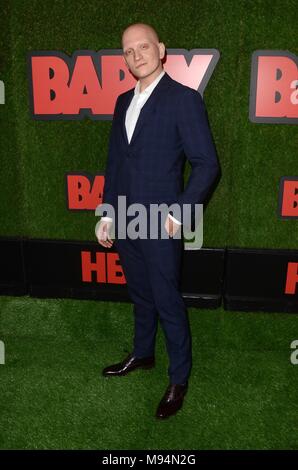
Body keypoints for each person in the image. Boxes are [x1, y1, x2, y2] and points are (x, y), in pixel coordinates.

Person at [96, 22, 219, 419]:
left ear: (161, 49)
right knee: (141, 296)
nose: (137, 55)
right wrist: (107, 214)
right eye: (129, 51)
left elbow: (206, 165)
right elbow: (116, 164)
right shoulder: (120, 102)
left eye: (144, 46)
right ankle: (144, 354)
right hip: (127, 220)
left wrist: (179, 213)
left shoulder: (183, 100)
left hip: (160, 222)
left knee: (167, 301)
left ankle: (179, 377)